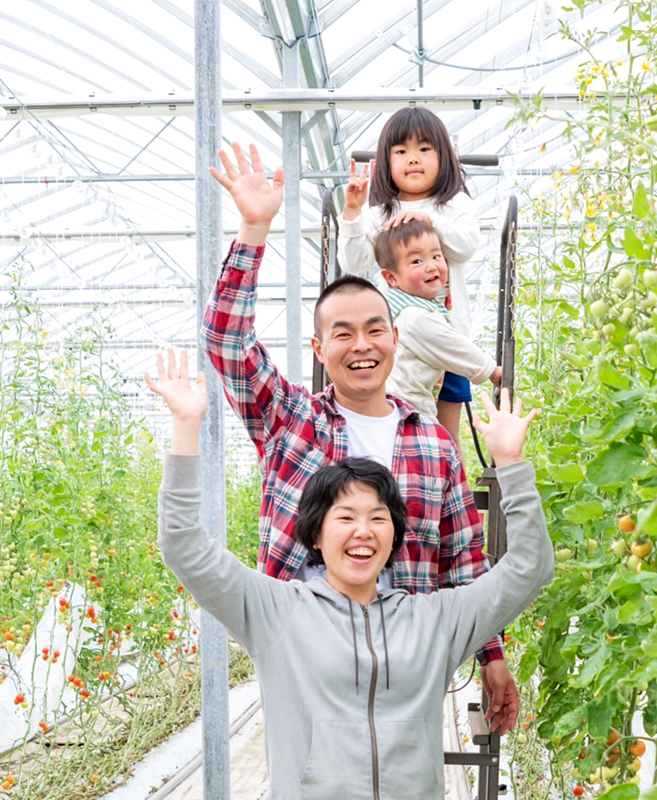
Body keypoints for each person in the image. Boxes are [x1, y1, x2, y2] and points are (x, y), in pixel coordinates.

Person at [203, 141, 516, 732]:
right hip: (307, 654)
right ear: (320, 350)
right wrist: (252, 230)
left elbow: (464, 558)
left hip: (409, 659)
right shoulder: (292, 423)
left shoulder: (430, 443)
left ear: (396, 339)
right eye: (342, 334)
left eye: (375, 329)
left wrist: (492, 655)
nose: (362, 345)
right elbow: (226, 343)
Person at [149, 347, 554, 800]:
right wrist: (185, 427)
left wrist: (513, 465)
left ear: (395, 535)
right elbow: (184, 545)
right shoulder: (276, 612)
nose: (363, 531)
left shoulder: (437, 620)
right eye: (345, 518)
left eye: (378, 518)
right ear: (316, 537)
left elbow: (529, 567)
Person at [337, 106, 481, 454]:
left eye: (424, 149)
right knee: (401, 425)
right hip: (402, 347)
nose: (412, 159)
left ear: (443, 156)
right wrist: (353, 215)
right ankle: (399, 498)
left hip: (448, 338)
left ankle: (452, 501)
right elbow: (353, 262)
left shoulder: (454, 205)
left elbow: (465, 246)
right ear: (385, 162)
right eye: (401, 151)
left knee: (447, 434)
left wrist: (431, 222)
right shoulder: (380, 214)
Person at [375, 218, 501, 421]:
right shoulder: (412, 315)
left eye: (436, 256)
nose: (431, 266)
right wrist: (491, 371)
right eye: (417, 261)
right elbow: (450, 344)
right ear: (391, 278)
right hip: (406, 410)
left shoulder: (397, 306)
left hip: (395, 407)